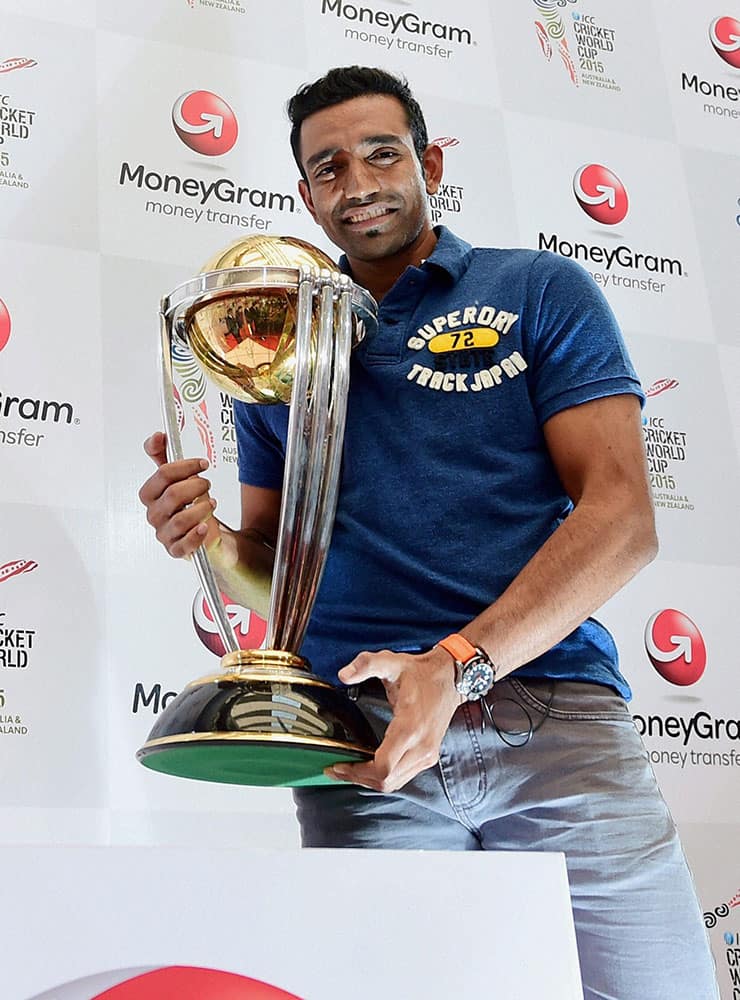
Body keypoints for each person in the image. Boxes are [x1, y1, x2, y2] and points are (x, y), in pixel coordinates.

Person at [139, 66, 718, 999]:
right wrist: (204, 538)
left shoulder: (537, 289)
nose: (358, 183)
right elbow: (276, 576)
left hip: (552, 717)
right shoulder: (278, 342)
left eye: (381, 153)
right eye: (328, 168)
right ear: (306, 197)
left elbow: (622, 519)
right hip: (362, 749)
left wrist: (456, 666)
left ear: (429, 161)